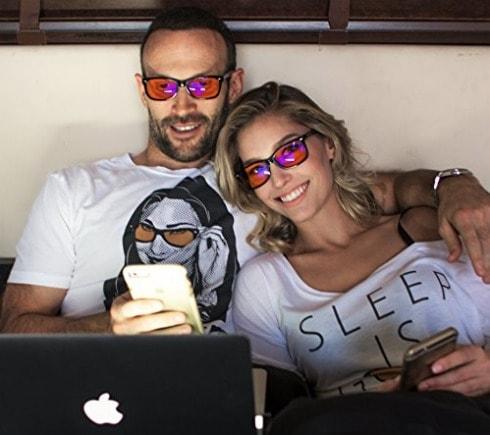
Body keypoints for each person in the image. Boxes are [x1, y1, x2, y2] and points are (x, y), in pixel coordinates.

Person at [1, 7, 490, 335]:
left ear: (234, 85)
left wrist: (456, 184)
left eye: (202, 85)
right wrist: (106, 327)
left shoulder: (269, 180)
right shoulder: (74, 189)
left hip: (230, 399)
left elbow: (391, 189)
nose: (182, 106)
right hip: (98, 396)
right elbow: (14, 325)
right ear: (142, 89)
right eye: (164, 87)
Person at [214, 81, 490, 433]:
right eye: (258, 170)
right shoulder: (264, 283)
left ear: (328, 144)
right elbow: (273, 408)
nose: (278, 179)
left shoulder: (424, 227)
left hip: (458, 416)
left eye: (289, 152)